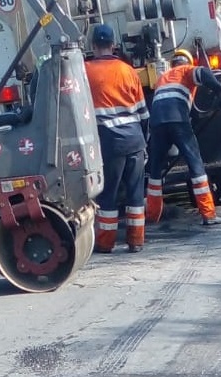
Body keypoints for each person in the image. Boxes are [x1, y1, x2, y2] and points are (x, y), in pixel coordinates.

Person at [84, 24, 149, 253]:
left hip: (110, 143)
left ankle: (105, 242)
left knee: (108, 195)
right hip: (135, 140)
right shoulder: (128, 70)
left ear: (92, 45)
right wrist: (144, 141)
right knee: (135, 194)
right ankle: (136, 241)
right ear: (113, 45)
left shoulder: (85, 71)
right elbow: (143, 113)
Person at [145, 49, 221, 226]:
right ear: (188, 62)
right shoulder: (186, 71)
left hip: (158, 123)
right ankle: (208, 214)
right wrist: (220, 89)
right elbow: (204, 73)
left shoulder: (163, 77)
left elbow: (187, 109)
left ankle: (152, 215)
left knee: (155, 170)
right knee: (195, 165)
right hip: (178, 122)